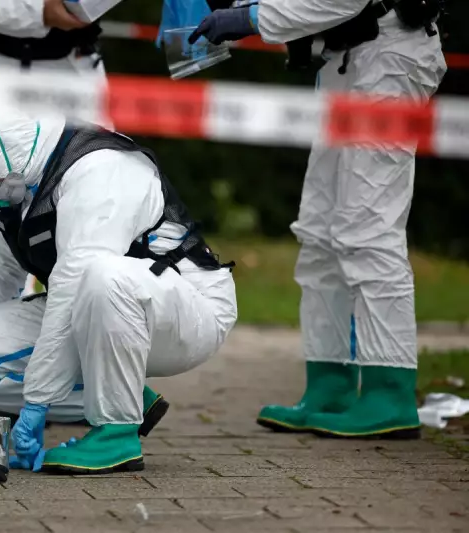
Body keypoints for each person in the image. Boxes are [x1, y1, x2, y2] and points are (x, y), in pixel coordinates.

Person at [0, 105, 238, 474]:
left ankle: (117, 430)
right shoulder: (22, 181)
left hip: (187, 310)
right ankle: (126, 395)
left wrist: (37, 403)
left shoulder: (103, 170)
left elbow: (74, 284)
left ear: (10, 157)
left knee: (102, 275)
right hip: (96, 307)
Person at [190, 0, 447, 438]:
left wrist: (252, 18)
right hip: (346, 61)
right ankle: (330, 384)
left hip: (388, 57)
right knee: (320, 229)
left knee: (368, 230)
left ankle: (390, 392)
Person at [0, 0, 108, 297]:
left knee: (95, 217)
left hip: (73, 70)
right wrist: (39, 12)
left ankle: (80, 332)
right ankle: (1, 336)